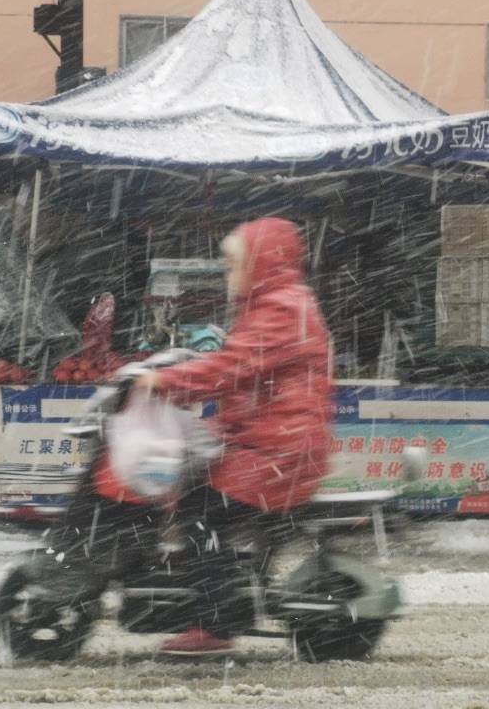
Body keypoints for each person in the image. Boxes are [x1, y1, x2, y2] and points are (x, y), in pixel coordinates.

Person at [135, 216, 333, 655]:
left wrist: (164, 383)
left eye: (233, 264)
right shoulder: (274, 303)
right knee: (191, 487)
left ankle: (216, 624)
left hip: (280, 451)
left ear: (262, 263)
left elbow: (230, 369)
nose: (229, 274)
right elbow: (241, 374)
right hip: (268, 443)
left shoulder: (283, 307)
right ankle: (212, 593)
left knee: (199, 508)